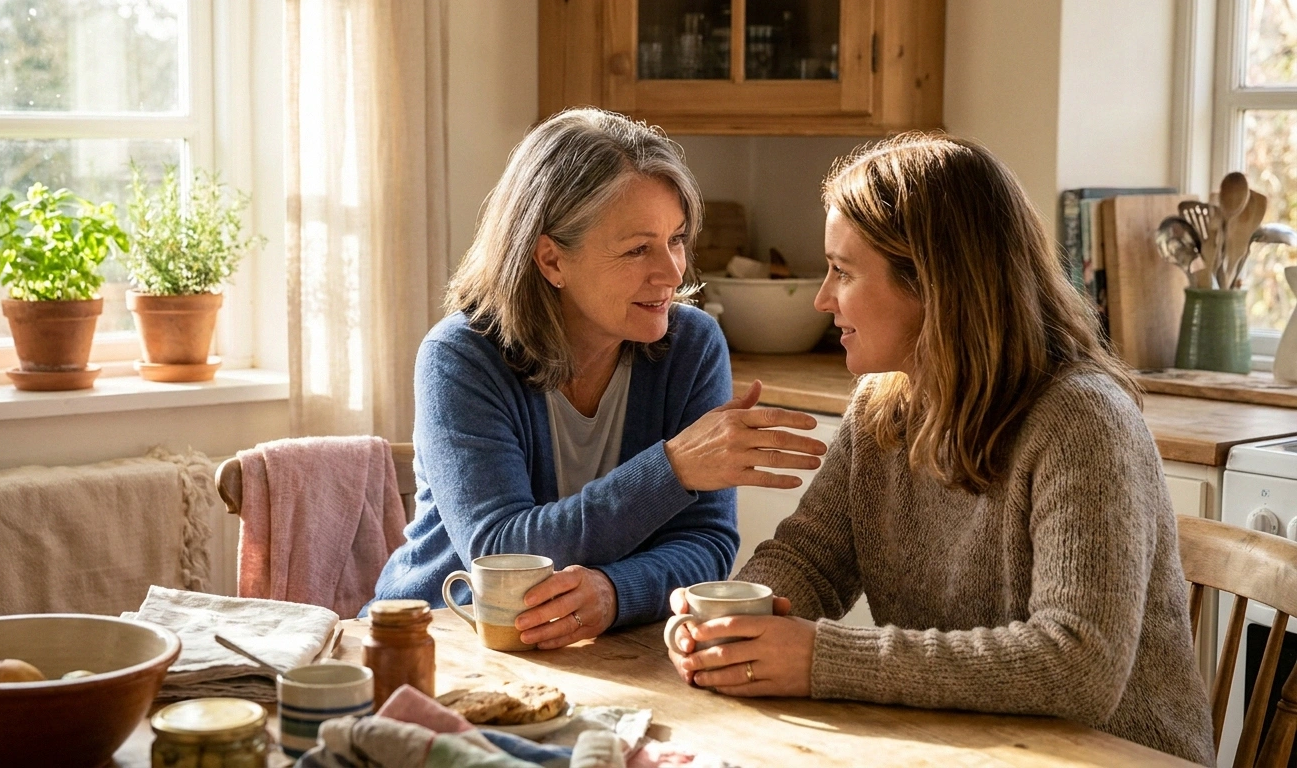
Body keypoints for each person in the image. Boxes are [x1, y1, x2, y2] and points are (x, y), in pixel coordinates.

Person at [666, 134, 1215, 765]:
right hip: (966, 747)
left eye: (843, 272)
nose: (823, 299)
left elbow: (1077, 666)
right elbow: (811, 559)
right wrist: (732, 622)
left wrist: (821, 658)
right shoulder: (884, 403)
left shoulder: (1082, 421)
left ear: (932, 283)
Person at [370, 107, 828, 650]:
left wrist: (614, 593)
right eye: (637, 249)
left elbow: (706, 543)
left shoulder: (691, 346)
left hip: (607, 651)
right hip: (439, 640)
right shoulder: (460, 357)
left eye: (676, 239)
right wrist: (673, 469)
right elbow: (499, 551)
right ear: (551, 261)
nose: (673, 271)